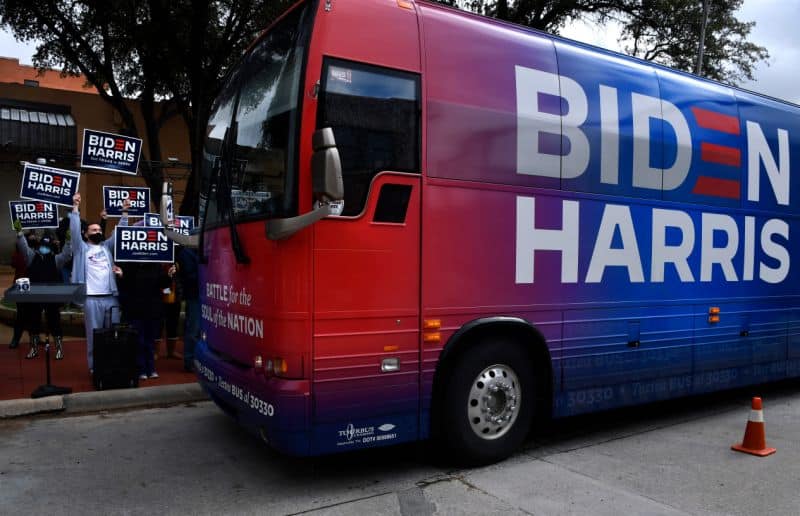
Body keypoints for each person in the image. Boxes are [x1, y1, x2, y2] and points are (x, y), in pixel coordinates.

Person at [69, 193, 129, 373]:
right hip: (91, 300)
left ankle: (112, 364)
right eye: (93, 230)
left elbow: (119, 234)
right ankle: (95, 368)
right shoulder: (81, 249)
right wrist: (75, 207)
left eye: (99, 230)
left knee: (114, 334)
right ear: (86, 234)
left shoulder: (106, 247)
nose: (98, 232)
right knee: (94, 336)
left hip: (111, 298)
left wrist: (124, 213)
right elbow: (74, 231)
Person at [15, 228, 73, 359]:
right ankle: (34, 348)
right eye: (42, 246)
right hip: (35, 296)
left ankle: (59, 349)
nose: (44, 248)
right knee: (33, 321)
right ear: (38, 247)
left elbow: (67, 255)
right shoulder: (31, 257)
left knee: (54, 322)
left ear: (51, 248)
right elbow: (23, 246)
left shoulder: (56, 259)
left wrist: (69, 241)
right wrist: (19, 234)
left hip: (51, 296)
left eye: (46, 247)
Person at [117, 259, 172, 380]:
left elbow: (162, 284)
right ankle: (141, 368)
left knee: (150, 340)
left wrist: (169, 276)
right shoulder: (129, 264)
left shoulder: (155, 265)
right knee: (139, 340)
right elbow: (125, 286)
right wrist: (121, 276)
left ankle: (151, 368)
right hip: (136, 308)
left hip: (152, 308)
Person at [172, 245, 200, 372]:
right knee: (193, 329)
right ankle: (190, 361)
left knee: (197, 330)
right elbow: (190, 275)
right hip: (194, 295)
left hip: (202, 294)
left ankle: (196, 360)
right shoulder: (186, 253)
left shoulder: (195, 250)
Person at [8, 231, 35, 349]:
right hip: (22, 283)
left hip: (34, 284)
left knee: (34, 314)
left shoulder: (37, 251)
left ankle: (34, 337)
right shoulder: (19, 253)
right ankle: (16, 339)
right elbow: (14, 263)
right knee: (21, 313)